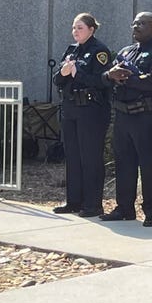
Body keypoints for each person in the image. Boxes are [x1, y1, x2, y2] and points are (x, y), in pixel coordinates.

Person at [100, 12, 152, 227]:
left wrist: (126, 79)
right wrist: (111, 75)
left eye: (141, 24)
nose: (135, 27)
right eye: (134, 23)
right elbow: (109, 76)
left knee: (149, 165)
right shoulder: (127, 51)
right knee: (124, 163)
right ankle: (124, 208)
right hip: (123, 115)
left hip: (146, 116)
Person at [52, 13, 112, 217]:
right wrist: (63, 74)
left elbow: (102, 81)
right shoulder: (71, 51)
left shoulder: (99, 51)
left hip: (91, 111)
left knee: (90, 158)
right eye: (74, 28)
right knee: (73, 157)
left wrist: (79, 74)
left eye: (80, 28)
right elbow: (57, 81)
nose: (75, 31)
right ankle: (74, 202)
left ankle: (93, 204)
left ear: (91, 30)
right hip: (71, 109)